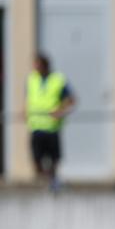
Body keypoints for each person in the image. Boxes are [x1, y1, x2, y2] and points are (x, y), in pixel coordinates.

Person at [26, 53, 75, 191]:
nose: (35, 68)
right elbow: (28, 98)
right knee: (36, 162)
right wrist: (24, 111)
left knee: (54, 160)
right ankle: (51, 180)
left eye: (38, 65)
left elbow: (71, 99)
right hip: (36, 126)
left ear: (45, 65)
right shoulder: (31, 79)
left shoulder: (58, 79)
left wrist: (60, 110)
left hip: (52, 127)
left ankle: (53, 183)